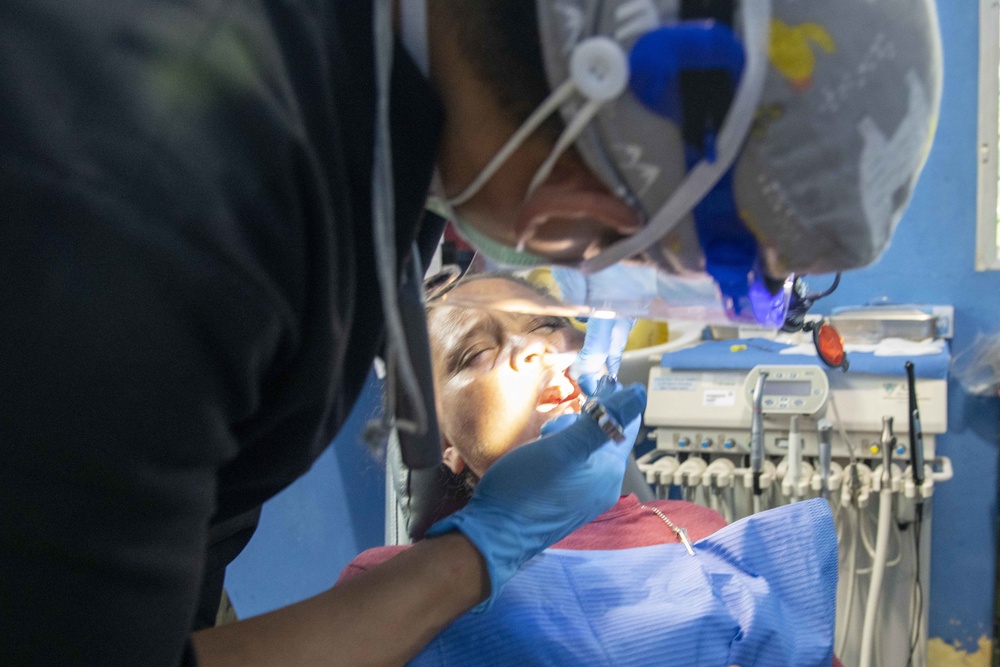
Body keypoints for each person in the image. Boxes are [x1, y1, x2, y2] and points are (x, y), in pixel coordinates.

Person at [0, 1, 940, 665]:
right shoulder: (162, 210)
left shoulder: (381, 137)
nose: (545, 331)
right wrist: (478, 551)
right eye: (624, 239)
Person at [337, 275, 845, 667]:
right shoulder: (387, 585)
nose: (534, 349)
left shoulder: (696, 529)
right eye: (476, 352)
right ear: (445, 442)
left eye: (544, 324)